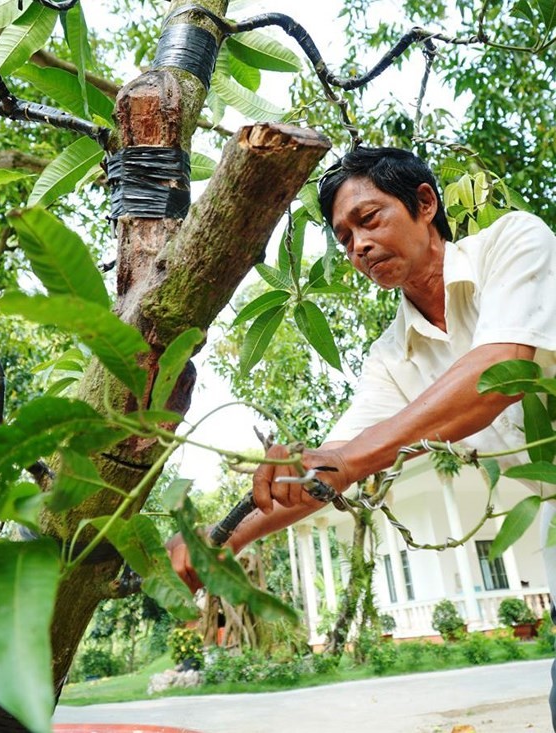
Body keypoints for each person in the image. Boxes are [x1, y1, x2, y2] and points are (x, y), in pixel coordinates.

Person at [167, 146, 556, 726]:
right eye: (345, 238)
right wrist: (224, 539)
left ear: (425, 203)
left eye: (369, 220)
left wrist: (348, 460)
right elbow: (328, 468)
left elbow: (496, 376)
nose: (359, 247)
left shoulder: (512, 243)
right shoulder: (391, 358)